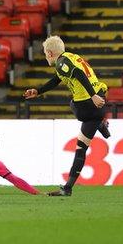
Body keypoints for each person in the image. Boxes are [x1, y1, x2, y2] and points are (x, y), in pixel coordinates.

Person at [24, 35, 110, 196]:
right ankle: (68, 188)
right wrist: (38, 91)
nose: (45, 57)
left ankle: (100, 124)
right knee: (81, 147)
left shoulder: (62, 62)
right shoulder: (71, 57)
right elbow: (57, 79)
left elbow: (78, 73)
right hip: (98, 103)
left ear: (49, 53)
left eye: (44, 54)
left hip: (88, 105)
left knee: (73, 104)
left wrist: (92, 95)